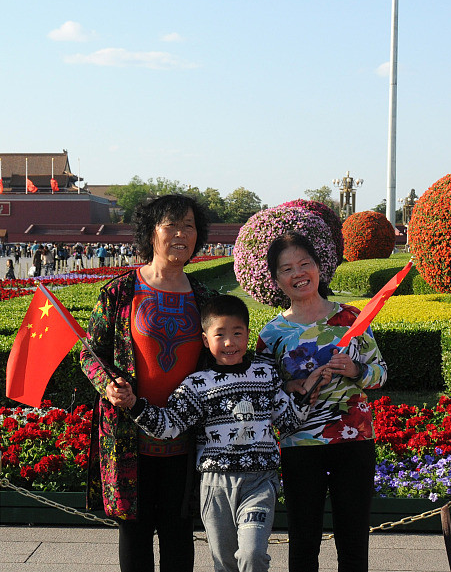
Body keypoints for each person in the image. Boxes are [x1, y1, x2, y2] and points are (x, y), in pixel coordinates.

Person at [110, 295, 330, 572]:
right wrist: (132, 403)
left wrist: (306, 394)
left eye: (237, 333)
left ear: (248, 335)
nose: (230, 343)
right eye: (220, 335)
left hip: (259, 483)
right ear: (205, 340)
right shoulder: (197, 384)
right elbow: (169, 426)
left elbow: (286, 422)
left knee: (252, 554)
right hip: (216, 486)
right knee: (225, 563)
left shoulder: (266, 375)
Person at [79, 194, 216, 572]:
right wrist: (107, 385)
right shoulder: (120, 291)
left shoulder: (205, 299)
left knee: (179, 532)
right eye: (170, 225)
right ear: (150, 233)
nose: (181, 234)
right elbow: (89, 353)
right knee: (134, 533)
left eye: (189, 226)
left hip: (186, 441)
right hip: (128, 435)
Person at [256, 231, 387, 572]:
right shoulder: (271, 335)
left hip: (354, 439)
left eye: (305, 264)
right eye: (287, 269)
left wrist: (357, 369)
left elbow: (381, 374)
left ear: (318, 268)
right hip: (300, 444)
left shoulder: (352, 318)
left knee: (354, 538)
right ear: (276, 279)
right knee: (303, 540)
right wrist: (294, 385)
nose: (298, 273)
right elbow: (265, 395)